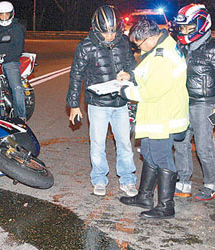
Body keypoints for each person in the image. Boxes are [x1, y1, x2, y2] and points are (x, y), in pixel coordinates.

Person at [118, 19, 189, 219]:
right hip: (156, 113)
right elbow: (149, 75)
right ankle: (145, 196)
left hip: (163, 115)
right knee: (149, 152)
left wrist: (126, 91)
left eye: (138, 44)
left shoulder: (163, 55)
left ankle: (167, 206)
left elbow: (152, 91)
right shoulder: (162, 46)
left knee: (161, 157)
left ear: (149, 38)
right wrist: (131, 77)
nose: (137, 48)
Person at [66, 5, 137, 196]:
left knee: (124, 143)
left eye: (113, 31)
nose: (110, 36)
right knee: (97, 144)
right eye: (106, 32)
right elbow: (76, 76)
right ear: (96, 29)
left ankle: (128, 179)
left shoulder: (123, 42)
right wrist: (73, 105)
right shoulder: (85, 47)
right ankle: (98, 179)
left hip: (120, 102)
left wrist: (128, 75)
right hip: (97, 105)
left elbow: (132, 65)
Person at [173, 4, 215, 201]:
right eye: (182, 28)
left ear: (201, 25)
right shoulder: (181, 47)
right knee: (180, 142)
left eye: (188, 28)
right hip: (184, 100)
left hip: (205, 103)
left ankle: (211, 183)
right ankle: (183, 181)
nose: (183, 32)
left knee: (203, 146)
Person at [0, 1, 26, 121]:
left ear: (12, 14)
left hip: (10, 61)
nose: (3, 18)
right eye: (1, 15)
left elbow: (18, 48)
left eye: (6, 15)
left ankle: (21, 117)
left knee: (17, 88)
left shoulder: (17, 28)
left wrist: (5, 58)